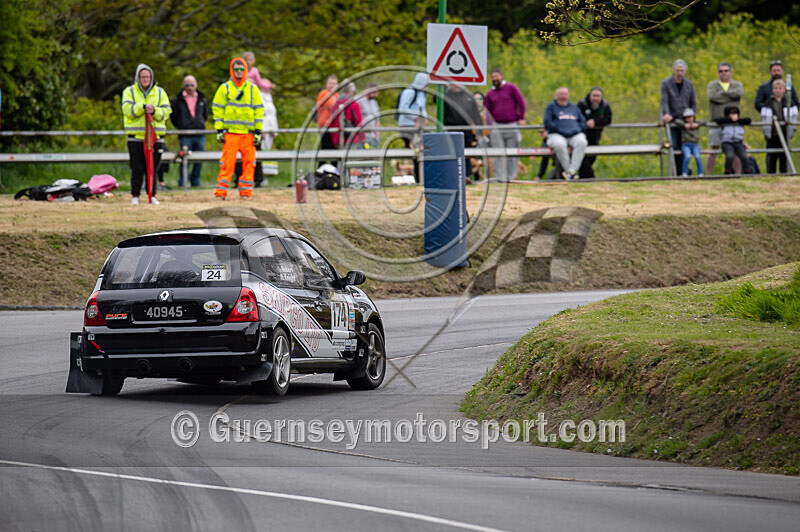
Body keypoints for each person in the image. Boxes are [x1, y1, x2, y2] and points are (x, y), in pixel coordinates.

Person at [212, 57, 263, 199]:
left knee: (249, 164)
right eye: (236, 69)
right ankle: (221, 193)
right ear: (232, 70)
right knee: (226, 164)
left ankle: (245, 193)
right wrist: (219, 130)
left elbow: (259, 110)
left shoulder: (252, 89)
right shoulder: (225, 88)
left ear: (245, 70)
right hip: (231, 134)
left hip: (248, 134)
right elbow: (217, 109)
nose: (239, 72)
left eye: (241, 69)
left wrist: (258, 131)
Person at [121, 64, 171, 205]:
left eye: (148, 77)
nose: (145, 79)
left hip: (155, 137)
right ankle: (135, 195)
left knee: (153, 168)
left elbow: (167, 112)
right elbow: (127, 110)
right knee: (137, 168)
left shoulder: (160, 92)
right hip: (136, 137)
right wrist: (142, 107)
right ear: (138, 77)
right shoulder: (129, 91)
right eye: (143, 77)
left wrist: (154, 111)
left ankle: (152, 195)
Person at [484, 67, 526, 181]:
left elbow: (521, 102)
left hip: (512, 124)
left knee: (513, 152)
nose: (495, 79)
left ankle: (512, 177)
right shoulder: (490, 93)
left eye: (496, 76)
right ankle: (500, 178)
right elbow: (487, 111)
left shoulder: (511, 88)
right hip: (497, 126)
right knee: (499, 153)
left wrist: (521, 117)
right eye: (492, 77)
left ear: (501, 76)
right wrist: (490, 125)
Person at [243, 51, 276, 186]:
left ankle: (258, 178)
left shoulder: (259, 96)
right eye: (247, 59)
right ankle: (242, 178)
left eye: (251, 59)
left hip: (255, 126)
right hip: (243, 125)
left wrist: (269, 86)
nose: (249, 61)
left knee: (257, 151)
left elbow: (261, 83)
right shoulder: (240, 72)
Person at [170, 75, 208, 188]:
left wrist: (200, 123)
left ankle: (195, 181)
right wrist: (181, 125)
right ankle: (183, 181)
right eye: (187, 85)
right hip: (185, 134)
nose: (190, 87)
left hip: (200, 133)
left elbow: (205, 114)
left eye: (192, 85)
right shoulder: (177, 100)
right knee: (184, 158)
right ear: (183, 86)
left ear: (196, 85)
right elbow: (173, 116)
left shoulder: (202, 98)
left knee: (199, 159)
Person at [438, 83, 482, 180]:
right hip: (450, 130)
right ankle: (451, 176)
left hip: (466, 131)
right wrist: (443, 86)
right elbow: (435, 99)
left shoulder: (468, 96)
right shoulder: (446, 95)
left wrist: (479, 132)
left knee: (466, 155)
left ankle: (466, 176)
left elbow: (476, 115)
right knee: (451, 154)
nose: (456, 86)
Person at [706, 62, 744, 175]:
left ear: (731, 73)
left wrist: (722, 95)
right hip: (716, 122)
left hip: (733, 124)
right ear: (718, 73)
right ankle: (708, 175)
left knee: (736, 149)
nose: (723, 73)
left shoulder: (737, 85)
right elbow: (712, 96)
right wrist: (730, 97)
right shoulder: (712, 85)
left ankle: (738, 175)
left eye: (726, 71)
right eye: (721, 71)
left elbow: (739, 93)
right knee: (713, 149)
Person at [660, 59, 697, 175]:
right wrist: (666, 114)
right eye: (677, 70)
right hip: (673, 120)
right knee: (674, 145)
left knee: (685, 145)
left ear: (685, 71)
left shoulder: (689, 84)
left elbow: (693, 102)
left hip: (685, 119)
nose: (679, 73)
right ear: (674, 70)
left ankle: (684, 170)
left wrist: (692, 116)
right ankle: (677, 171)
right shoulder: (666, 84)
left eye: (682, 70)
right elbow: (664, 101)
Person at [543, 87, 587, 180]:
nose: (563, 96)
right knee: (559, 144)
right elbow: (547, 122)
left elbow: (583, 122)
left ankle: (572, 171)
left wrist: (577, 129)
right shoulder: (551, 107)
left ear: (568, 96)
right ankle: (569, 172)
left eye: (565, 94)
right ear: (556, 96)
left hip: (574, 134)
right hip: (557, 134)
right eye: (561, 94)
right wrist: (560, 129)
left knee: (582, 142)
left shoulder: (574, 108)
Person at [760, 78, 798, 174]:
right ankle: (770, 175)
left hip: (785, 133)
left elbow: (794, 116)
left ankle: (784, 174)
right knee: (771, 157)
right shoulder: (768, 102)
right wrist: (766, 131)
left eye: (780, 88)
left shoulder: (789, 102)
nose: (778, 90)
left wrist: (791, 130)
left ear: (784, 89)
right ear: (773, 90)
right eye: (776, 88)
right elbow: (764, 117)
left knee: (784, 157)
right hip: (772, 134)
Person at [397, 72, 429, 182]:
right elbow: (403, 108)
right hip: (408, 126)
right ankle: (416, 177)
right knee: (414, 150)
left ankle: (420, 177)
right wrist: (415, 118)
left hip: (418, 127)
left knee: (419, 151)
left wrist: (424, 119)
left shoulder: (422, 93)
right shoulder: (410, 92)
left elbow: (421, 108)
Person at [577, 86, 612, 179]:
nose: (595, 98)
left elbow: (608, 119)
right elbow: (576, 118)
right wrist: (586, 123)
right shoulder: (582, 104)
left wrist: (595, 122)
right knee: (582, 160)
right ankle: (591, 179)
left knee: (591, 159)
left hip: (595, 137)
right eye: (594, 95)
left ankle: (583, 180)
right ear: (590, 96)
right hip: (581, 137)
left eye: (598, 96)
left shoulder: (604, 105)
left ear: (601, 97)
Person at [717, 105, 753, 174]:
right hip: (727, 142)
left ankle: (747, 172)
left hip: (738, 142)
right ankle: (727, 172)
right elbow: (717, 120)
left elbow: (748, 120)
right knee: (729, 156)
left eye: (735, 113)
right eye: (732, 113)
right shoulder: (725, 122)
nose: (734, 115)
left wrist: (738, 120)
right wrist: (730, 120)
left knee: (744, 157)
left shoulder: (740, 121)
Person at [330, 81, 364, 147]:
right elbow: (358, 122)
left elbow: (332, 122)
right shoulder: (354, 104)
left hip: (337, 140)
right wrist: (362, 137)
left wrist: (334, 138)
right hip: (351, 139)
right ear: (351, 91)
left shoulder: (335, 105)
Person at [673, 108, 705, 177]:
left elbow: (704, 121)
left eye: (691, 117)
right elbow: (676, 121)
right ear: (684, 118)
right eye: (687, 117)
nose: (690, 119)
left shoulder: (696, 123)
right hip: (686, 144)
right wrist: (684, 125)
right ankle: (684, 172)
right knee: (687, 156)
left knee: (698, 157)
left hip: (695, 145)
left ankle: (700, 173)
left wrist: (697, 124)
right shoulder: (684, 125)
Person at [316, 75, 339, 166]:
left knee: (335, 150)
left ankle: (334, 171)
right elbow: (333, 105)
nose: (332, 86)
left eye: (334, 84)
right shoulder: (324, 94)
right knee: (325, 149)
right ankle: (322, 171)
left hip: (335, 127)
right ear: (326, 84)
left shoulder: (337, 95)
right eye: (330, 83)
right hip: (325, 126)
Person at [358, 82, 380, 147]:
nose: (376, 95)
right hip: (363, 137)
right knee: (364, 152)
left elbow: (377, 121)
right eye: (374, 92)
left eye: (377, 92)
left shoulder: (375, 103)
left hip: (373, 137)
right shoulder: (359, 101)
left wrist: (377, 136)